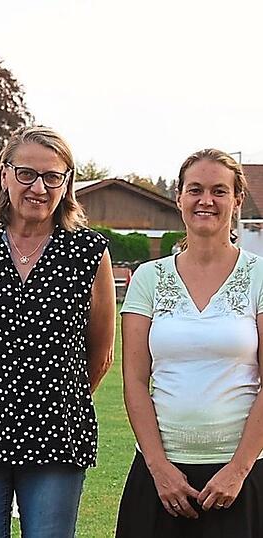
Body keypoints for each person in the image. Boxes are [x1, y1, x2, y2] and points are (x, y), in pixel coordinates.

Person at [0, 125, 116, 537]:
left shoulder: (90, 252)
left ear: (67, 182)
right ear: (4, 174)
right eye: (26, 174)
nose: (39, 187)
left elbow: (100, 353)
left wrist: (51, 398)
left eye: (53, 176)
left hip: (57, 432)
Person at [116, 149, 263, 537]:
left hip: (243, 477)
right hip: (161, 479)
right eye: (194, 189)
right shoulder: (148, 278)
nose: (206, 201)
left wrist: (238, 469)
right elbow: (134, 381)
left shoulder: (260, 275)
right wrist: (159, 468)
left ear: (236, 200)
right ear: (179, 197)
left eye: (219, 191)